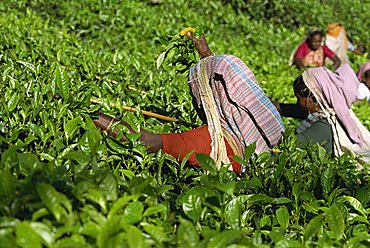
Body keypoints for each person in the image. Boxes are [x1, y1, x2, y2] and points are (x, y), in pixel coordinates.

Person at [93, 32, 285, 173]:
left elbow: (144, 141)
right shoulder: (266, 136)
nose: (196, 103)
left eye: (197, 96)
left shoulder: (210, 143)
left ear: (210, 99)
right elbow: (228, 85)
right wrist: (207, 56)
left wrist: (88, 113)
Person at [275, 64, 370, 164]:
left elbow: (286, 147)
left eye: (299, 99)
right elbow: (295, 110)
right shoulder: (338, 113)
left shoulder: (323, 126)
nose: (298, 103)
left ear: (312, 99)